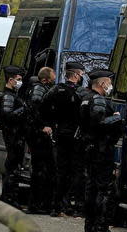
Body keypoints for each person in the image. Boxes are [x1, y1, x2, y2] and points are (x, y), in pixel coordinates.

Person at [80, 69, 124, 232]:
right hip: (100, 149)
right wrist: (116, 119)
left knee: (92, 189)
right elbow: (98, 124)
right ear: (102, 83)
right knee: (104, 189)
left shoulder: (86, 98)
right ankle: (100, 230)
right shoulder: (97, 100)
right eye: (109, 82)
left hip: (91, 149)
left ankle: (90, 230)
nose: (110, 86)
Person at [43, 62, 89, 216]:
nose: (82, 77)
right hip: (76, 137)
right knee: (77, 171)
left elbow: (43, 106)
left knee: (61, 171)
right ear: (76, 75)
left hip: (60, 134)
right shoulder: (82, 93)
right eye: (81, 74)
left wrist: (49, 124)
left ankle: (56, 206)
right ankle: (75, 206)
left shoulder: (56, 90)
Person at [0, 65, 29, 208]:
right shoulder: (8, 97)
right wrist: (24, 109)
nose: (20, 82)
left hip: (16, 135)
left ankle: (8, 197)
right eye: (18, 79)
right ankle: (9, 198)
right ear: (10, 80)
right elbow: (7, 116)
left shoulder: (13, 96)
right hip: (12, 136)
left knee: (14, 167)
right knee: (13, 168)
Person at [26, 67, 58, 214]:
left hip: (40, 134)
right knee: (41, 169)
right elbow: (34, 108)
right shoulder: (39, 89)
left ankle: (41, 203)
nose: (54, 80)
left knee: (45, 169)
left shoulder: (41, 89)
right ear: (46, 79)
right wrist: (42, 126)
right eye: (52, 78)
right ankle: (36, 204)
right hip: (39, 136)